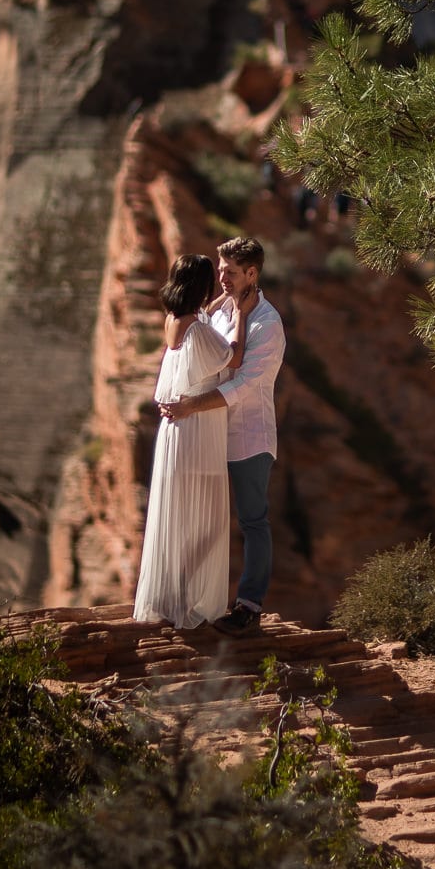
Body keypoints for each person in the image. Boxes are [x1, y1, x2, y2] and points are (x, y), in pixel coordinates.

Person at [161, 236, 285, 635]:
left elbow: (245, 383)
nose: (222, 277)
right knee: (204, 519)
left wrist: (190, 407)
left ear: (252, 273)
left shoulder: (268, 323)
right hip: (207, 435)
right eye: (219, 269)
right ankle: (190, 599)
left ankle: (248, 605)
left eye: (230, 271)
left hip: (247, 437)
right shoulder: (216, 315)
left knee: (252, 521)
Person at [133, 254, 255, 627]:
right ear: (200, 286)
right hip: (199, 430)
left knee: (178, 512)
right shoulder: (199, 330)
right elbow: (233, 359)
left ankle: (171, 598)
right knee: (202, 518)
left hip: (176, 433)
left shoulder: (175, 320)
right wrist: (243, 315)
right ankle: (192, 602)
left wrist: (220, 302)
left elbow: (199, 321)